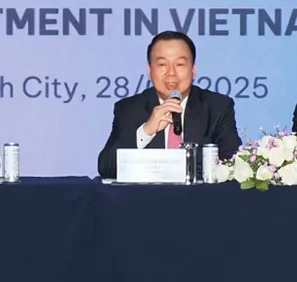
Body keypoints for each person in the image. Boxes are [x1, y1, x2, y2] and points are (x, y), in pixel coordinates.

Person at [97, 31, 242, 179]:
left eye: (179, 64)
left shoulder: (217, 107)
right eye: (162, 64)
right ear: (150, 71)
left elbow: (233, 164)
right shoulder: (129, 109)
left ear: (193, 70)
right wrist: (146, 132)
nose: (171, 73)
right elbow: (107, 168)